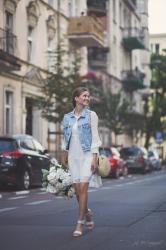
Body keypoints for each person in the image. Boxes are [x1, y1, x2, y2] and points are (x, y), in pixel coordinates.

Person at [62, 86, 101, 237]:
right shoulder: (67, 117)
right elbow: (65, 137)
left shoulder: (92, 115)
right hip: (73, 156)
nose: (86, 98)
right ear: (76, 98)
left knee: (83, 187)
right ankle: (88, 213)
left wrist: (94, 157)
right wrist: (64, 154)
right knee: (77, 191)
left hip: (86, 155)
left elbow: (95, 138)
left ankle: (80, 222)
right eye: (84, 96)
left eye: (88, 96)